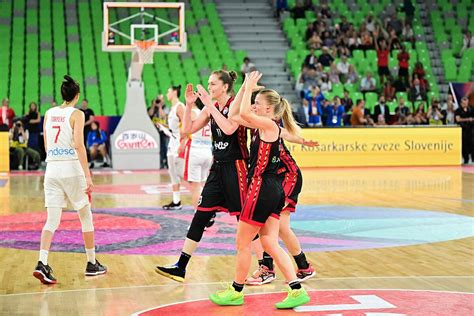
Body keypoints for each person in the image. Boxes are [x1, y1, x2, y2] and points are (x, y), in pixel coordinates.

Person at [209, 71, 310, 309]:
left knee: (243, 243)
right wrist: (245, 90)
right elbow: (235, 114)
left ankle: (236, 291)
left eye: (257, 104)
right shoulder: (260, 124)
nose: (253, 106)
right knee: (270, 243)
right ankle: (296, 289)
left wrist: (247, 86)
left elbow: (242, 112)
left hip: (261, 188)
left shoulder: (268, 125)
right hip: (272, 189)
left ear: (268, 110)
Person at [155, 70, 249, 282]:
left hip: (237, 167)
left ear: (225, 86)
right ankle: (181, 266)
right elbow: (187, 129)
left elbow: (229, 129)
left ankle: (266, 264)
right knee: (200, 215)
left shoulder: (236, 104)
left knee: (245, 220)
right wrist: (189, 106)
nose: (209, 87)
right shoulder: (211, 107)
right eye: (208, 83)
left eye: (213, 84)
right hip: (217, 168)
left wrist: (207, 104)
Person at [33, 75, 106, 285]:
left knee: (52, 221)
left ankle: (42, 262)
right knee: (85, 217)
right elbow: (79, 145)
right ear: (77, 95)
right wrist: (88, 176)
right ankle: (92, 263)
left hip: (52, 169)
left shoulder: (48, 113)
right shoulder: (78, 114)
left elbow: (47, 144)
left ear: (62, 94)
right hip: (71, 167)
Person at [183, 98, 213, 209]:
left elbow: (185, 130)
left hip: (195, 150)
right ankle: (208, 212)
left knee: (195, 187)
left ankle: (199, 216)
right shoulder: (206, 112)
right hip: (207, 151)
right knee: (203, 185)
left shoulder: (193, 112)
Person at [162, 85, 186, 210]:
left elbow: (187, 125)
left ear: (175, 92)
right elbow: (174, 129)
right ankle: (176, 201)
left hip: (179, 144)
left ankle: (200, 196)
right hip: (172, 143)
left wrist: (183, 142)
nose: (167, 94)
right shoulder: (171, 108)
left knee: (183, 172)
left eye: (168, 91)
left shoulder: (180, 106)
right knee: (172, 172)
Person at [148, 95, 169, 169]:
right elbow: (150, 114)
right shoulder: (152, 108)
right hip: (154, 132)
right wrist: (154, 106)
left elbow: (163, 116)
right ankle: (159, 163)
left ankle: (166, 163)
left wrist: (160, 107)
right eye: (158, 100)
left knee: (166, 147)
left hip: (164, 132)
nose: (159, 101)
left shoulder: (165, 108)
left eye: (160, 100)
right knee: (157, 148)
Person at [455, 97, 474, 164]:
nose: (465, 104)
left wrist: (471, 120)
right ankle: (466, 158)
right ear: (461, 103)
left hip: (471, 129)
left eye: (466, 103)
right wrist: (467, 119)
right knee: (464, 144)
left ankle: (472, 158)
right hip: (463, 129)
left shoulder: (471, 109)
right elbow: (458, 119)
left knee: (472, 143)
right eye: (464, 103)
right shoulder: (458, 110)